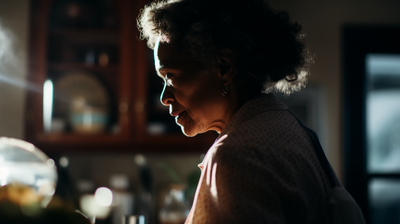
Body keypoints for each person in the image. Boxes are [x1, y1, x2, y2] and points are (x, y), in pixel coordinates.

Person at [137, 0, 339, 223]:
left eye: (171, 76)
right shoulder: (293, 128)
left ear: (224, 67)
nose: (164, 97)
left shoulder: (236, 156)